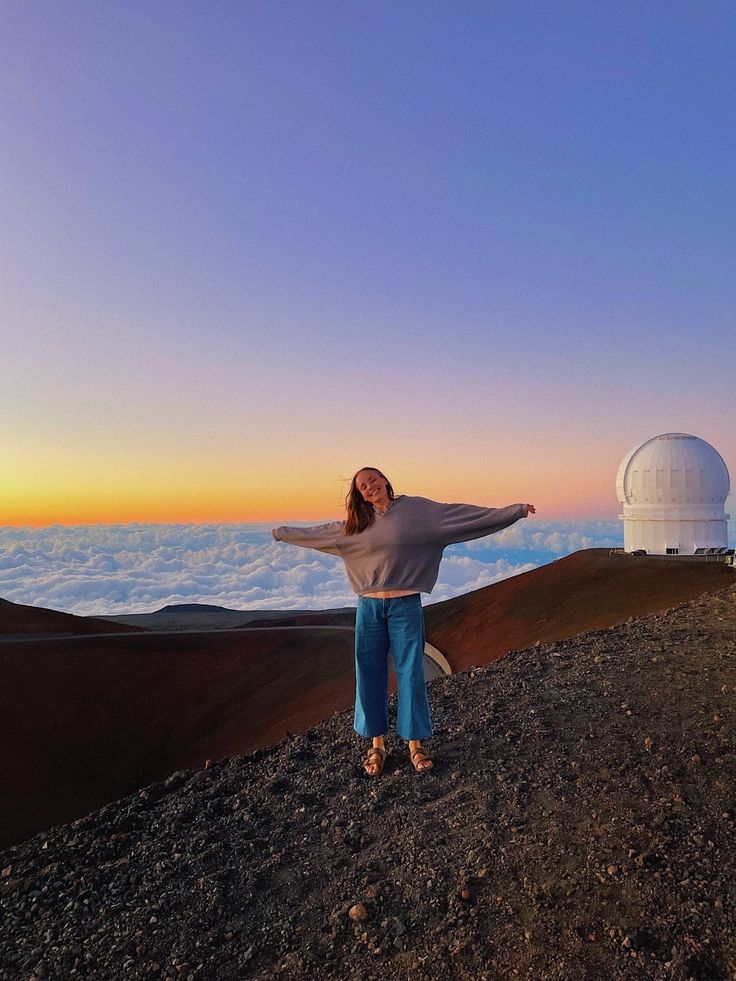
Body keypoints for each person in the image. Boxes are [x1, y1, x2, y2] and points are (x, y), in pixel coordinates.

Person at [272, 467, 535, 777]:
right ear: (360, 495)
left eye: (373, 480)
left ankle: (415, 744)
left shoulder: (417, 511)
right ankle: (377, 744)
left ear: (385, 480)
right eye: (362, 487)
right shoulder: (357, 524)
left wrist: (514, 512)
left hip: (405, 605)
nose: (369, 487)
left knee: (410, 673)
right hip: (369, 607)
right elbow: (320, 533)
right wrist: (282, 533)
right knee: (369, 671)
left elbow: (462, 516)